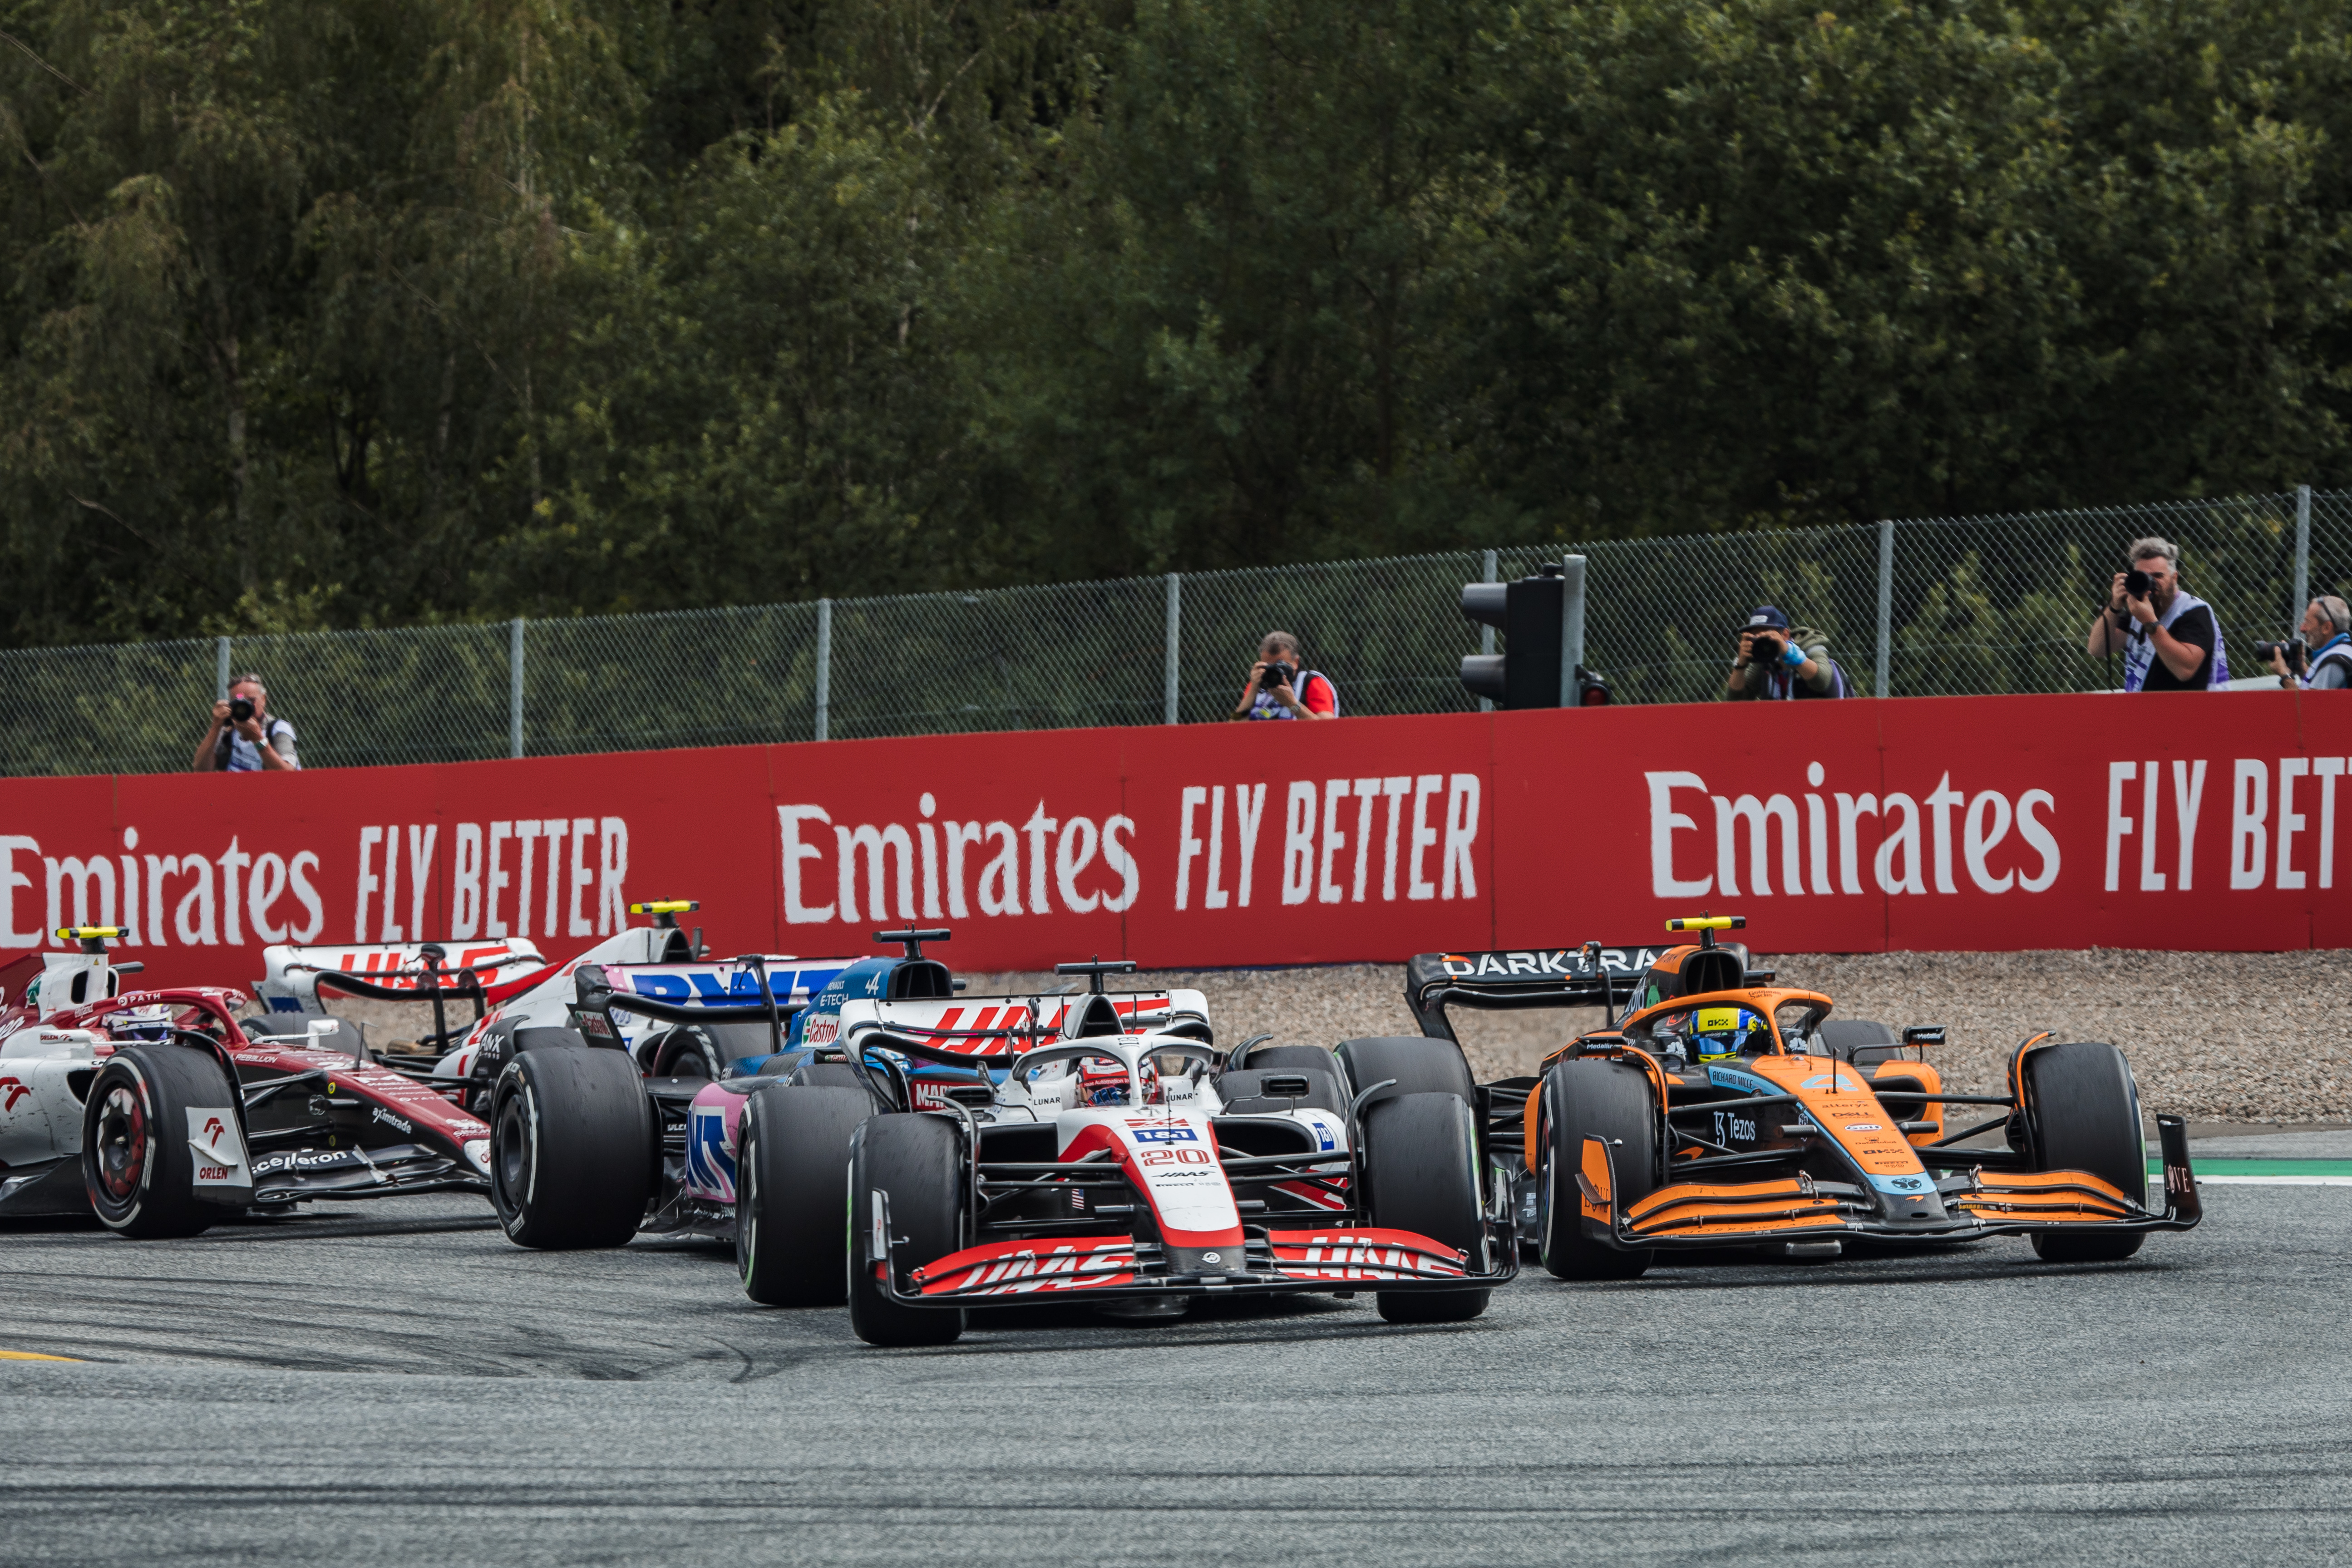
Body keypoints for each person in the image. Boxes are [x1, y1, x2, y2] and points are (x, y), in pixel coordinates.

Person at [2086, 537, 2228, 691]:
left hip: (2186, 711)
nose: (2151, 583)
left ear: (2174, 578)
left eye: (2158, 576)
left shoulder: (2193, 611)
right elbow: (2097, 649)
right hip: (2143, 712)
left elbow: (2185, 670)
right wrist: (2114, 606)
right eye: (2144, 576)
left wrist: (2150, 622)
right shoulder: (2137, 612)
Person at [1721, 606, 1850, 700]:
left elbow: (1822, 682)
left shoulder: (1810, 647)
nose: (1763, 641)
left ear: (1786, 634)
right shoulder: (1764, 657)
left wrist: (1789, 653)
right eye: (1756, 636)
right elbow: (1736, 702)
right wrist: (1740, 665)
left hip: (1828, 719)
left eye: (1767, 634)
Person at [193, 673, 300, 772]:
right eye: (239, 703)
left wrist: (258, 739)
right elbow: (200, 771)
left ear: (263, 699)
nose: (246, 707)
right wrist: (215, 726)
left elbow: (288, 775)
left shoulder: (277, 729)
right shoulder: (228, 730)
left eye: (251, 701)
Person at [1229, 631, 1339, 720]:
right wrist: (1253, 689)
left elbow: (1327, 730)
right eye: (1269, 666)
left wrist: (1292, 704)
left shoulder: (1312, 682)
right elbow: (1234, 724)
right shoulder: (1258, 684)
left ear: (1296, 662)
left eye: (1280, 665)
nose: (1274, 671)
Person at [2267, 597, 2352, 690]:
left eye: (2308, 622)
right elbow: (2317, 689)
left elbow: (2309, 704)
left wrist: (2285, 675)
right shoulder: (2345, 651)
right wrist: (2301, 668)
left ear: (2327, 628)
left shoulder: (2334, 662)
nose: (2302, 629)